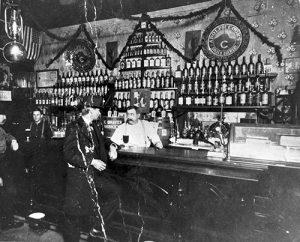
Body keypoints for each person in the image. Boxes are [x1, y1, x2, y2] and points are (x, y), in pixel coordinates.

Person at [62, 95, 119, 242]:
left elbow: (103, 140)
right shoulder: (73, 127)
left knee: (114, 192)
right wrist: (92, 161)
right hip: (80, 177)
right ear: (90, 110)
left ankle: (96, 229)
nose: (100, 113)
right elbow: (69, 154)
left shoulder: (93, 126)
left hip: (94, 176)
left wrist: (112, 146)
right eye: (99, 110)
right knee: (74, 216)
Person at [24, 107, 53, 205]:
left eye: (37, 115)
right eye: (34, 115)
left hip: (42, 155)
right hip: (31, 155)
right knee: (32, 177)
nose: (35, 117)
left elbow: (50, 141)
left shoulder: (46, 126)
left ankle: (41, 200)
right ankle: (32, 198)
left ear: (41, 115)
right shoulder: (30, 125)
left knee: (41, 178)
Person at [0, 113, 23, 230]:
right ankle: (6, 222)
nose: (4, 118)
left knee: (9, 191)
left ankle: (8, 220)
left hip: (3, 162)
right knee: (8, 191)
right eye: (2, 116)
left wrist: (13, 140)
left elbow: (7, 135)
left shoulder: (0, 129)